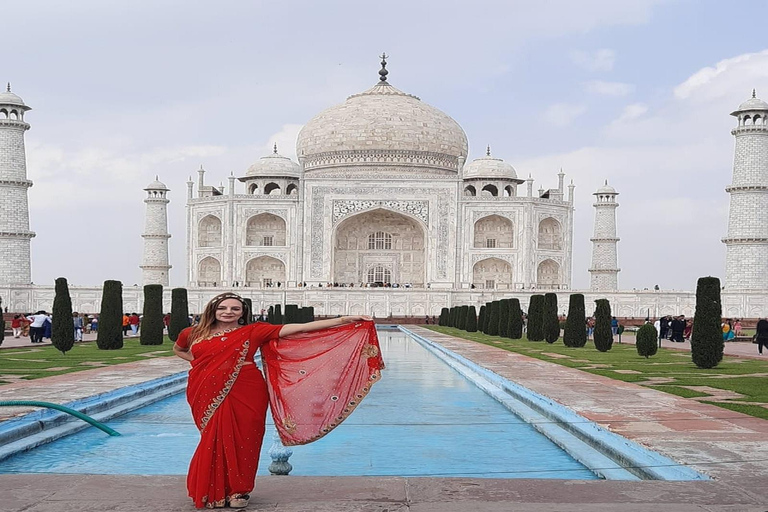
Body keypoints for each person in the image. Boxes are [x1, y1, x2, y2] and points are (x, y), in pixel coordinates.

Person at [172, 293, 383, 509]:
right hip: (205, 391)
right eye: (223, 308)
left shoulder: (253, 331)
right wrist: (200, 365)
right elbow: (178, 349)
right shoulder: (192, 333)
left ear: (243, 312)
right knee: (212, 438)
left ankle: (238, 491)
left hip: (247, 389)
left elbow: (299, 328)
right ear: (213, 310)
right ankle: (212, 490)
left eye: (235, 309)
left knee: (245, 440)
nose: (228, 312)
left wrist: (341, 320)